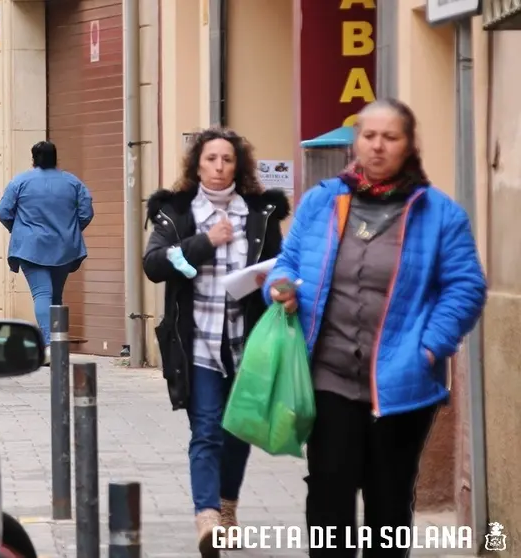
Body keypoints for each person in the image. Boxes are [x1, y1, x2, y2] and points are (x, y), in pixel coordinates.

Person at [263, 98, 487, 556]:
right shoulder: (322, 202)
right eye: (369, 136)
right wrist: (279, 285)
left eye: (390, 137)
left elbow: (465, 287)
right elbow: (286, 261)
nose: (378, 146)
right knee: (329, 493)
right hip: (327, 376)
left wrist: (430, 347)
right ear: (355, 142)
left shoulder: (439, 214)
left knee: (388, 503)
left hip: (403, 383)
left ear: (409, 145)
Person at [142, 127, 290, 557]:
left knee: (238, 429)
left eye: (227, 159)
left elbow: (279, 267)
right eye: (211, 159)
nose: (220, 166)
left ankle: (228, 508)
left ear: (238, 165)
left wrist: (278, 287)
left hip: (247, 342)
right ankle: (206, 517)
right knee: (206, 428)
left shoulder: (261, 213)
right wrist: (206, 241)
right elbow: (154, 264)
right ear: (198, 164)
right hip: (198, 343)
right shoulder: (175, 212)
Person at [0, 141, 93, 360]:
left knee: (42, 293)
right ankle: (57, 342)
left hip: (31, 247)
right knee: (56, 295)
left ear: (33, 158)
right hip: (64, 247)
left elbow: (3, 211)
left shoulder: (20, 181)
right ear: (56, 158)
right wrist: (70, 231)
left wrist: (20, 231)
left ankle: (50, 345)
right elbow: (86, 212)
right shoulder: (72, 182)